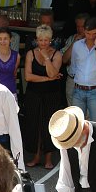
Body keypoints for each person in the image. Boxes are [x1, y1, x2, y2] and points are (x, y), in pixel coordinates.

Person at [24, 24, 63, 169]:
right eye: (40, 40)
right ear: (36, 40)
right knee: (34, 126)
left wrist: (46, 57)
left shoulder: (57, 54)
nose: (43, 43)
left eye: (46, 40)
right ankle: (36, 157)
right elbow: (28, 77)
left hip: (51, 95)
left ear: (50, 40)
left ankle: (48, 159)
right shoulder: (30, 54)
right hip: (34, 94)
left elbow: (53, 72)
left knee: (49, 126)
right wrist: (47, 79)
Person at [69, 17, 96, 124]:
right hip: (78, 90)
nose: (91, 37)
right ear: (84, 30)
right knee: (77, 123)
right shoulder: (77, 45)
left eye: (94, 34)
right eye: (88, 33)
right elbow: (73, 66)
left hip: (95, 91)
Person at [61, 13, 89, 106]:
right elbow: (64, 59)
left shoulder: (94, 41)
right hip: (72, 80)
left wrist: (72, 60)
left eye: (82, 27)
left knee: (87, 112)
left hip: (87, 82)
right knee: (72, 111)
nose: (80, 29)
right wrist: (74, 42)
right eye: (78, 26)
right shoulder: (72, 39)